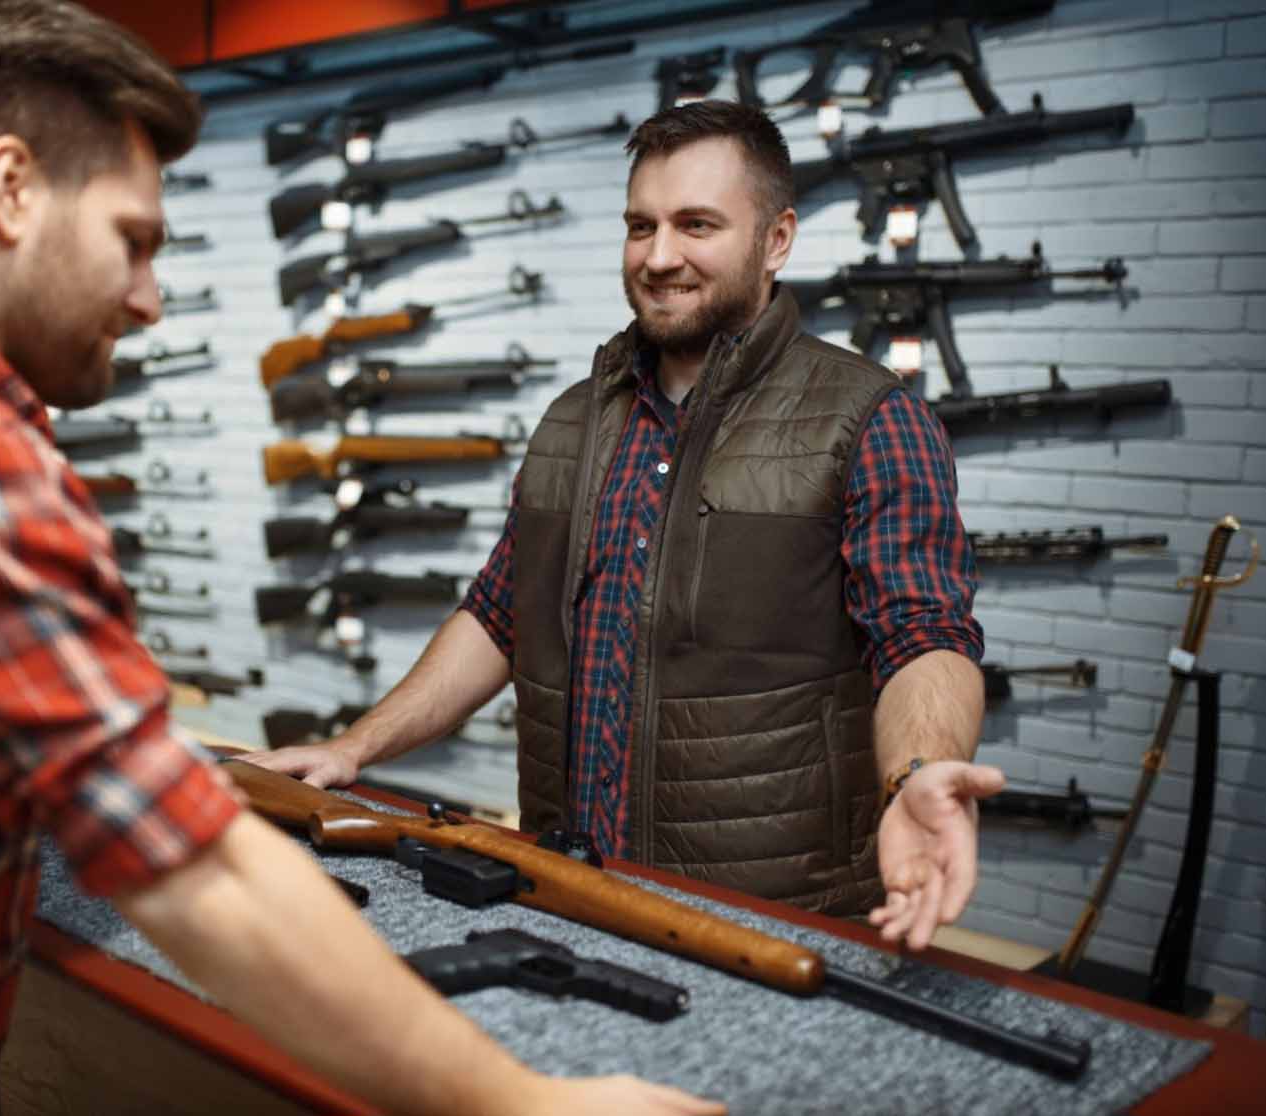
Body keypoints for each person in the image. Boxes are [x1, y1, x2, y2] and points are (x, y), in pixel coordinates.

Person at [0, 4, 724, 1114]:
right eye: (132, 240)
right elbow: (200, 878)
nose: (145, 299)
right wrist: (521, 1104)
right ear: (10, 189)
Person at [241, 100, 1006, 953]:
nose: (660, 255)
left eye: (697, 224)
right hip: (566, 886)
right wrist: (356, 748)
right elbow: (498, 616)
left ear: (777, 240)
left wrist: (919, 774)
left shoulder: (869, 418)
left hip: (769, 922)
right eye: (640, 226)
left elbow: (924, 635)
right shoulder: (573, 421)